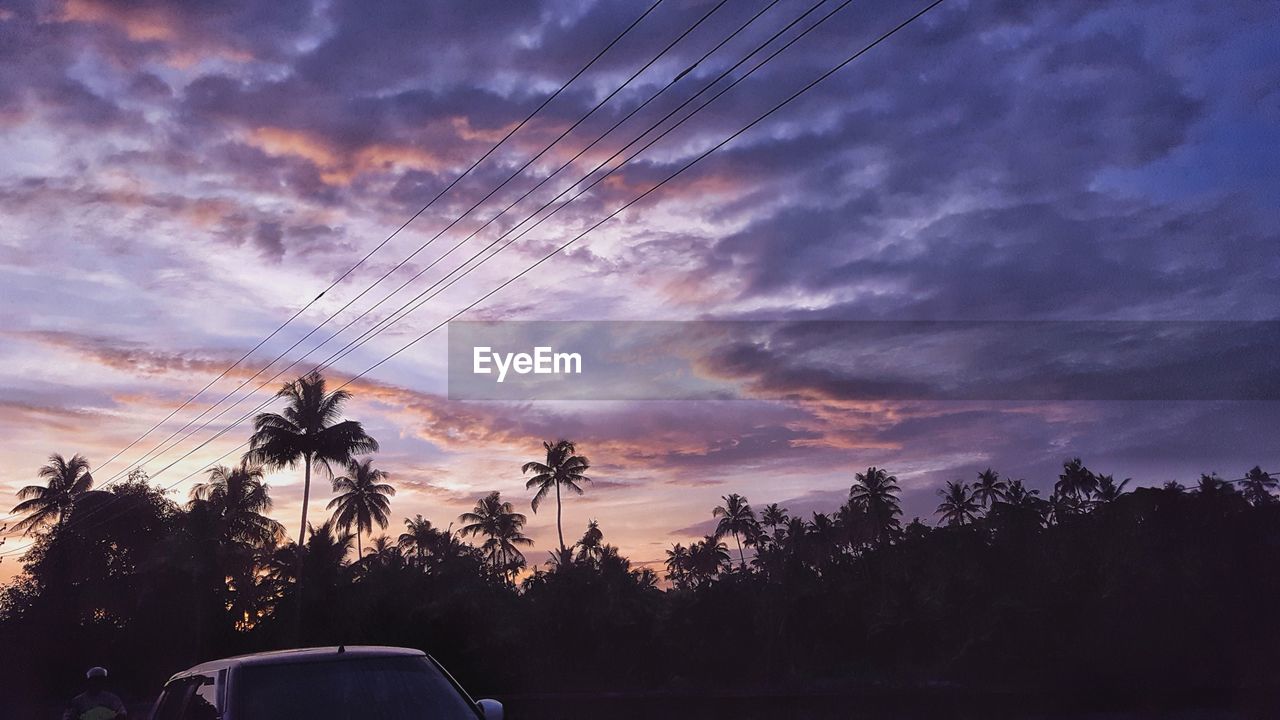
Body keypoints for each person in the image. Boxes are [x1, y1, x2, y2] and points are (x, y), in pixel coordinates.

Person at [63, 666, 128, 720]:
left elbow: (122, 712)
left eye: (100, 680)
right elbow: (67, 716)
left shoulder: (112, 699)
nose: (97, 683)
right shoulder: (77, 701)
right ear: (89, 681)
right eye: (95, 680)